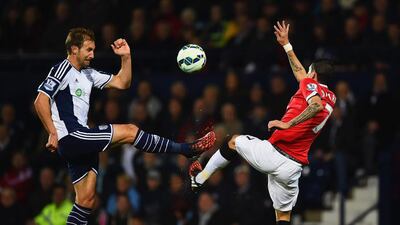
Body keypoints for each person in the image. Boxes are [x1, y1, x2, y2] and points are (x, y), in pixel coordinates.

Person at [34, 27, 216, 225]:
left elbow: (122, 82)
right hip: (72, 137)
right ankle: (187, 149)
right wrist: (52, 132)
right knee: (130, 131)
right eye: (89, 50)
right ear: (74, 49)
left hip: (80, 141)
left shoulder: (88, 73)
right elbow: (40, 100)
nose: (93, 54)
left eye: (94, 49)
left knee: (86, 200)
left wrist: (126, 57)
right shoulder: (62, 69)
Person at [189, 21, 336, 225]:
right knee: (282, 216)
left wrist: (288, 124)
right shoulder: (331, 96)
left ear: (314, 75)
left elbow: (315, 105)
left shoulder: (313, 89)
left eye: (309, 72)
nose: (305, 74)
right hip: (294, 166)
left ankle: (200, 178)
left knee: (232, 141)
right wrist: (287, 45)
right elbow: (301, 75)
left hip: (275, 153)